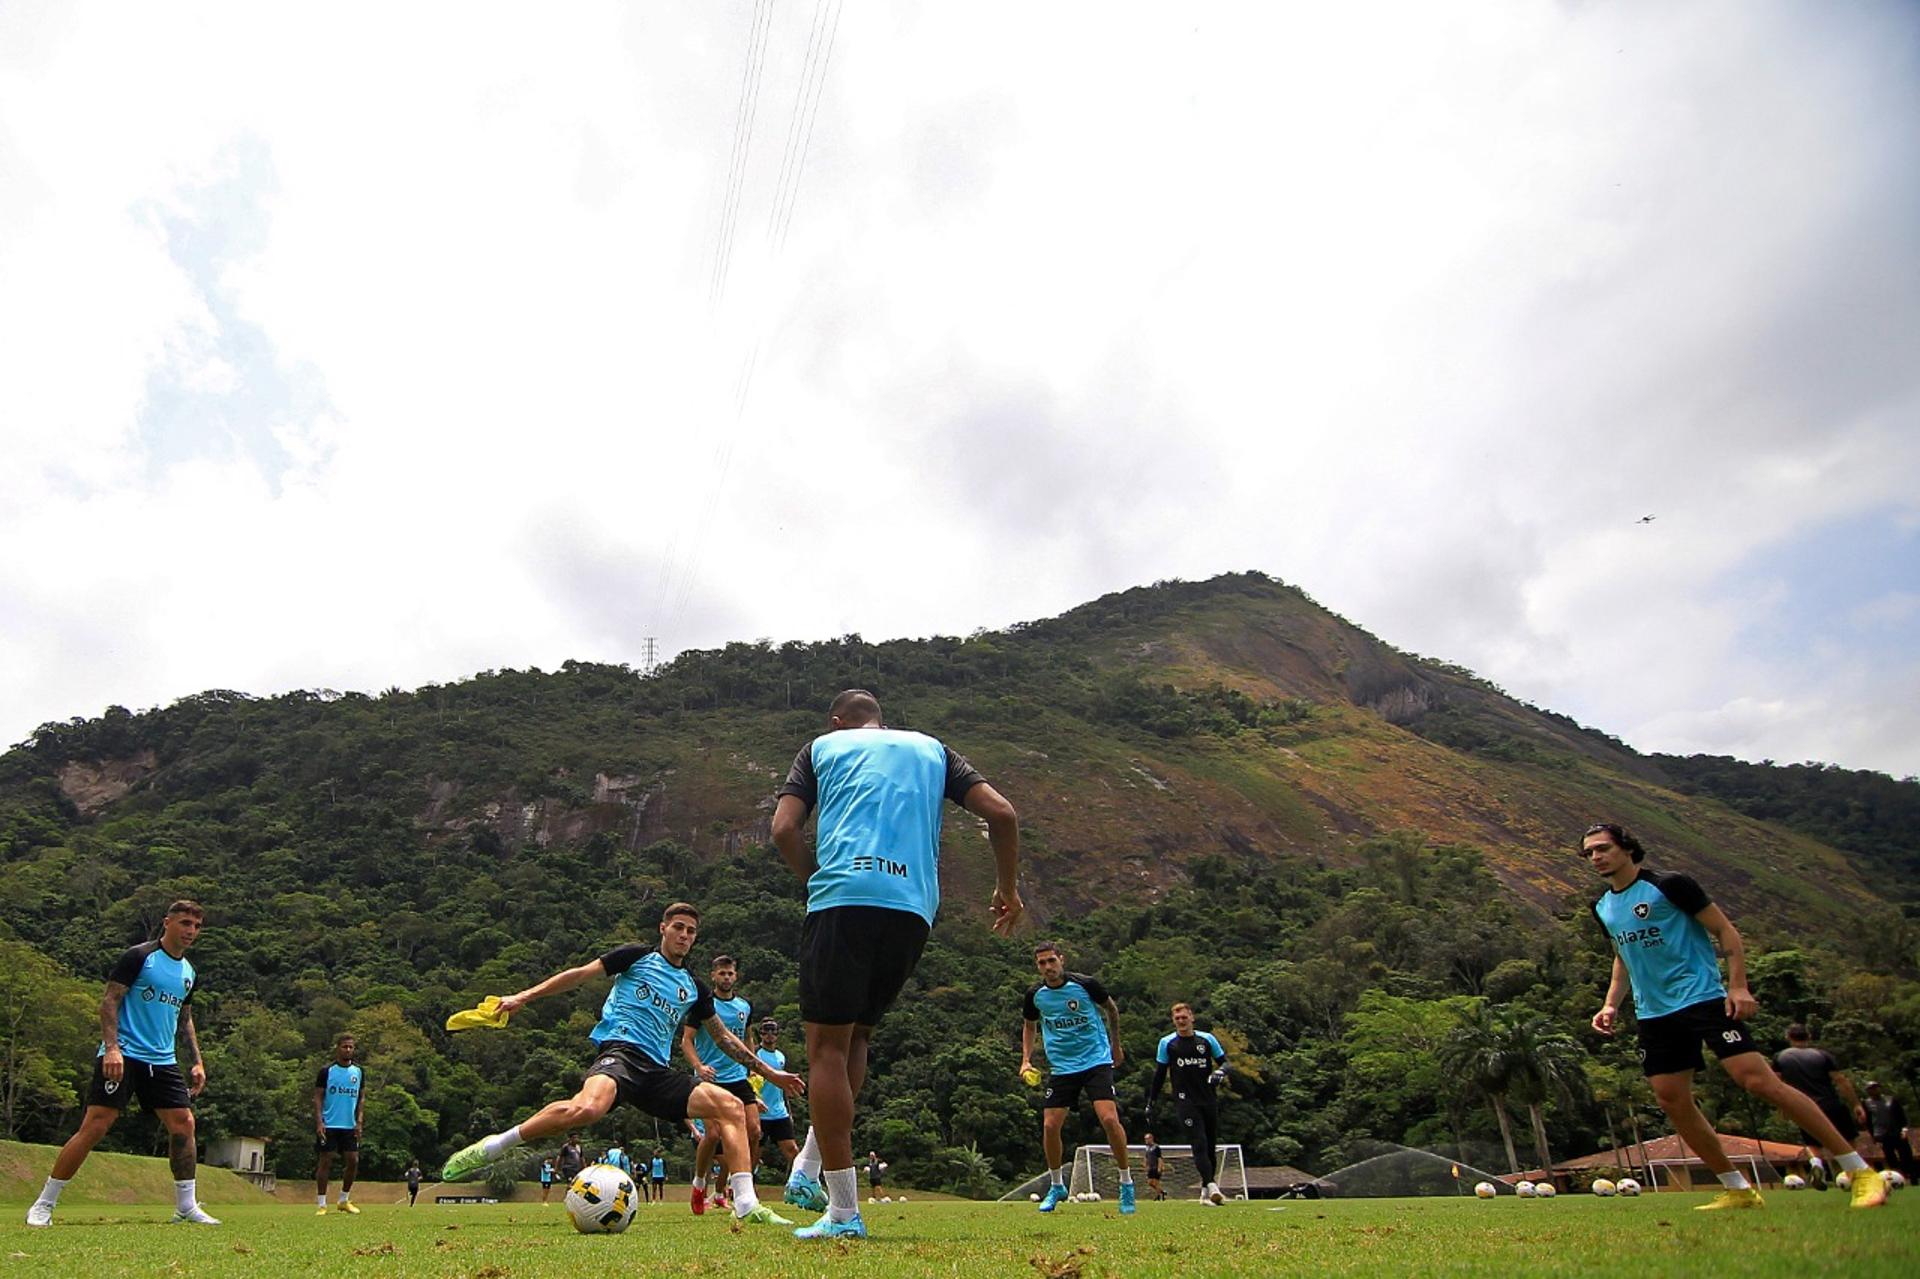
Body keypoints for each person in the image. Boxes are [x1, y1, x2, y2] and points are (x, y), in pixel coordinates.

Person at [771, 688, 1023, 1240]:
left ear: (839, 722)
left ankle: (841, 1212)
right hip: (912, 910)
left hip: (844, 897)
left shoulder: (822, 747)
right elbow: (1002, 814)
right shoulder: (934, 750)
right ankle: (811, 1168)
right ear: (881, 720)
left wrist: (814, 879)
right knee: (857, 1036)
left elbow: (783, 829)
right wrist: (1007, 889)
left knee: (825, 1049)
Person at [438, 901, 806, 1226]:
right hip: (622, 1056)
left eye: (691, 931)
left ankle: (746, 1204)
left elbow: (724, 1037)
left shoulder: (694, 987)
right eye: (678, 927)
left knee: (730, 1107)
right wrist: (524, 996)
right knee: (586, 1109)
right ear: (663, 929)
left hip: (657, 1073)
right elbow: (579, 975)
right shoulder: (635, 957)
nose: (684, 935)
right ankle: (493, 1146)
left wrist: (770, 1072)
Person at [1583, 823, 1886, 1210]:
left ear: (1627, 849)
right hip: (1655, 1013)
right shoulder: (1602, 906)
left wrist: (1738, 986)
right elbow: (1622, 956)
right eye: (1589, 852)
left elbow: (1726, 931)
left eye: (1603, 848)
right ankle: (1737, 1189)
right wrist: (1611, 1004)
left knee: (1757, 1081)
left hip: (1702, 998)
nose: (1596, 857)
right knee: (1671, 1098)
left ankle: (1859, 1169)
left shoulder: (1670, 885)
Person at [27, 900, 220, 1227]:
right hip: (124, 1053)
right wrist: (112, 1048)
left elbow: (185, 1018)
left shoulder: (189, 972)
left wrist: (198, 1062)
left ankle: (185, 1207)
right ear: (167, 923)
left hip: (162, 1060)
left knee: (184, 1124)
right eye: (185, 923)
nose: (191, 931)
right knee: (96, 1125)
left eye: (197, 926)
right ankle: (44, 1203)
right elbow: (110, 1000)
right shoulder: (139, 957)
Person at [1019, 940, 1136, 1215]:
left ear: (1062, 959)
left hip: (1096, 1060)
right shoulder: (1035, 995)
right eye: (1042, 963)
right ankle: (1057, 1185)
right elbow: (1029, 1025)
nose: (1048, 967)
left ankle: (1126, 1183)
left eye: (1051, 961)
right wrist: (1025, 1059)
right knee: (1050, 1126)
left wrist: (1115, 1044)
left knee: (1108, 1118)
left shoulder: (1086, 985)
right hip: (1062, 1067)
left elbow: (1112, 1009)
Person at [679, 955, 759, 1215]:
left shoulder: (744, 1006)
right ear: (713, 976)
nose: (726, 977)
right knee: (713, 1135)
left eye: (730, 973)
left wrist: (751, 1066)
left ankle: (736, 1190)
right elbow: (686, 1041)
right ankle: (699, 1184)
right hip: (711, 1080)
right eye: (721, 973)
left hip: (738, 1077)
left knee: (754, 1131)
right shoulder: (702, 1005)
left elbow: (746, 1038)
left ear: (736, 976)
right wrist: (699, 1067)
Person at [1149, 1002, 1229, 1204]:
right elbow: (1159, 1074)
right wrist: (1152, 1101)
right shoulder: (1167, 1043)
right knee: (1198, 1142)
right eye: (1177, 1018)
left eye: (1184, 1017)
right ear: (1173, 1021)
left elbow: (1226, 1062)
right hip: (1185, 1100)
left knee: (1210, 1145)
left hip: (1208, 1099)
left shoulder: (1207, 1039)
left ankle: (1205, 1191)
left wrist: (1220, 1072)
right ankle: (1211, 1185)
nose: (1181, 1021)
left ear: (1192, 1018)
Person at [1772, 1024, 1866, 1190]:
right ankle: (1854, 1172)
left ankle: (1816, 1163)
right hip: (1830, 1103)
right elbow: (1841, 1081)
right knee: (1848, 1140)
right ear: (1808, 1036)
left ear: (1788, 1037)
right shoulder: (1822, 1055)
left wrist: (1783, 1107)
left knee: (1813, 1143)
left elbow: (1777, 1084)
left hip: (1802, 1106)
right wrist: (1856, 1103)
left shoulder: (1781, 1058)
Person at [313, 1033, 366, 1214]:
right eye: (345, 1046)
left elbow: (361, 1098)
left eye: (351, 1047)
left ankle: (343, 1199)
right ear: (338, 1048)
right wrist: (319, 1121)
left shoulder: (358, 1072)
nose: (348, 1050)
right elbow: (318, 1097)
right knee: (325, 1161)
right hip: (330, 1124)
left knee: (353, 1161)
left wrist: (359, 1121)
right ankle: (321, 1204)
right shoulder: (326, 1071)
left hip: (349, 1125)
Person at [754, 1019, 801, 1171]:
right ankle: (744, 1189)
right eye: (765, 1031)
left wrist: (789, 1112)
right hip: (759, 1112)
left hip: (779, 1112)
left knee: (793, 1152)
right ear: (760, 1034)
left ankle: (797, 1186)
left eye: (773, 1031)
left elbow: (782, 1086)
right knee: (753, 1155)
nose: (769, 1035)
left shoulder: (781, 1057)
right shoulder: (755, 1054)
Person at [1864, 1082, 1916, 1180]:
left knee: (1906, 1155)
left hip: (1897, 1132)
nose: (1874, 1090)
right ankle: (1898, 1178)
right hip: (1882, 1134)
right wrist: (1873, 1137)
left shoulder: (1891, 1100)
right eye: (1871, 1089)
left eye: (1876, 1088)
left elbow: (1902, 1116)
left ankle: (1912, 1177)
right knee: (1890, 1158)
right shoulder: (1867, 1103)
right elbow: (1868, 1122)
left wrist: (1904, 1129)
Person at [1142, 1132, 1164, 1201]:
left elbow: (1159, 1158)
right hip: (1150, 1167)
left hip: (1155, 1167)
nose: (1146, 1140)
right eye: (1145, 1139)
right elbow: (1146, 1157)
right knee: (1150, 1182)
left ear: (1151, 1139)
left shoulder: (1156, 1147)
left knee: (1155, 1182)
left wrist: (1159, 1167)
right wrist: (1145, 1165)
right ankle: (1162, 1192)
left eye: (1147, 1139)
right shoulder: (1147, 1148)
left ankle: (1158, 1196)